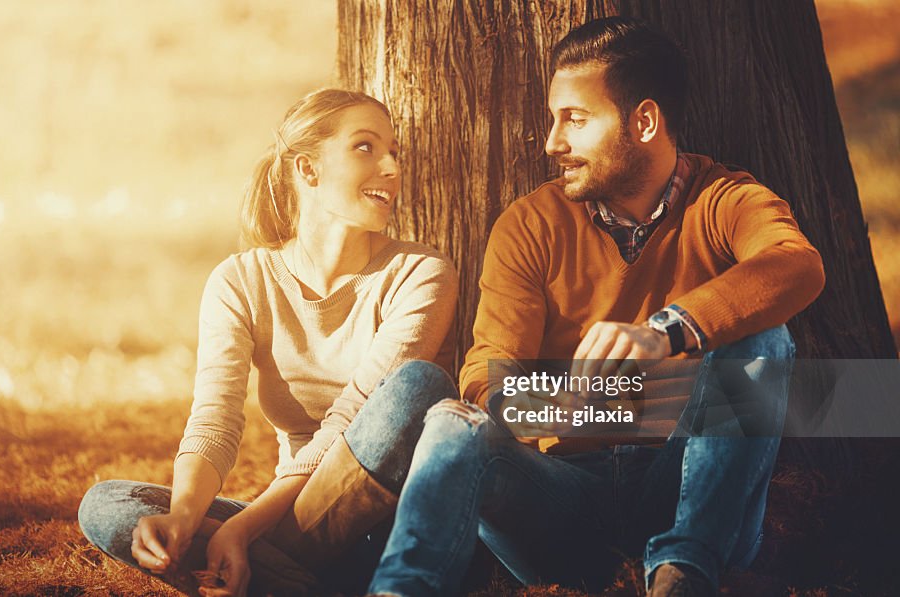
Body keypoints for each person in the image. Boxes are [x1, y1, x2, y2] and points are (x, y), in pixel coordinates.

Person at [366, 17, 825, 597]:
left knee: (765, 342)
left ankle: (683, 576)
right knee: (450, 424)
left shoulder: (726, 201)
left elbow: (796, 265)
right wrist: (597, 408)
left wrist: (665, 333)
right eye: (554, 119)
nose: (552, 142)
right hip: (560, 500)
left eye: (575, 120)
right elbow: (486, 379)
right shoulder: (530, 225)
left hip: (686, 489)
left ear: (645, 121)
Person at [77, 89, 459, 596]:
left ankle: (264, 568)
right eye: (366, 147)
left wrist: (241, 528)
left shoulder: (420, 273)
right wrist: (187, 519)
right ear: (308, 170)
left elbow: (353, 416)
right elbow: (215, 417)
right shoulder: (241, 280)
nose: (390, 166)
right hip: (289, 518)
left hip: (388, 526)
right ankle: (293, 579)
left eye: (395, 152)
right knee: (108, 506)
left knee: (418, 385)